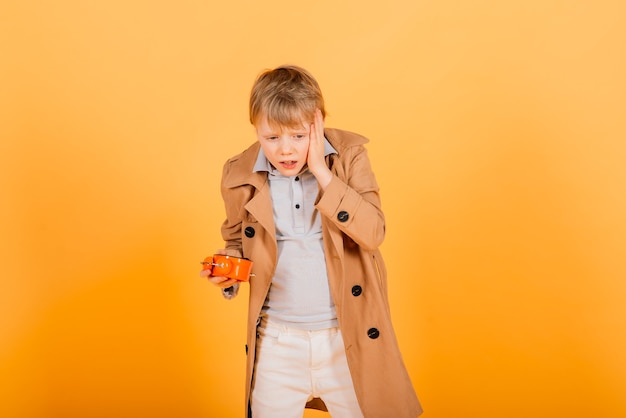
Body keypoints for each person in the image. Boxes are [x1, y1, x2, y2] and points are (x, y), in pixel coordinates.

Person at [201, 65, 422, 417]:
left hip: (347, 339)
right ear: (256, 127)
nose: (285, 150)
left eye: (298, 136)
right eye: (272, 137)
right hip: (276, 344)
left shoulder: (349, 157)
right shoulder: (238, 173)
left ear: (316, 124)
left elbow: (373, 232)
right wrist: (228, 267)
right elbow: (234, 239)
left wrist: (322, 171)